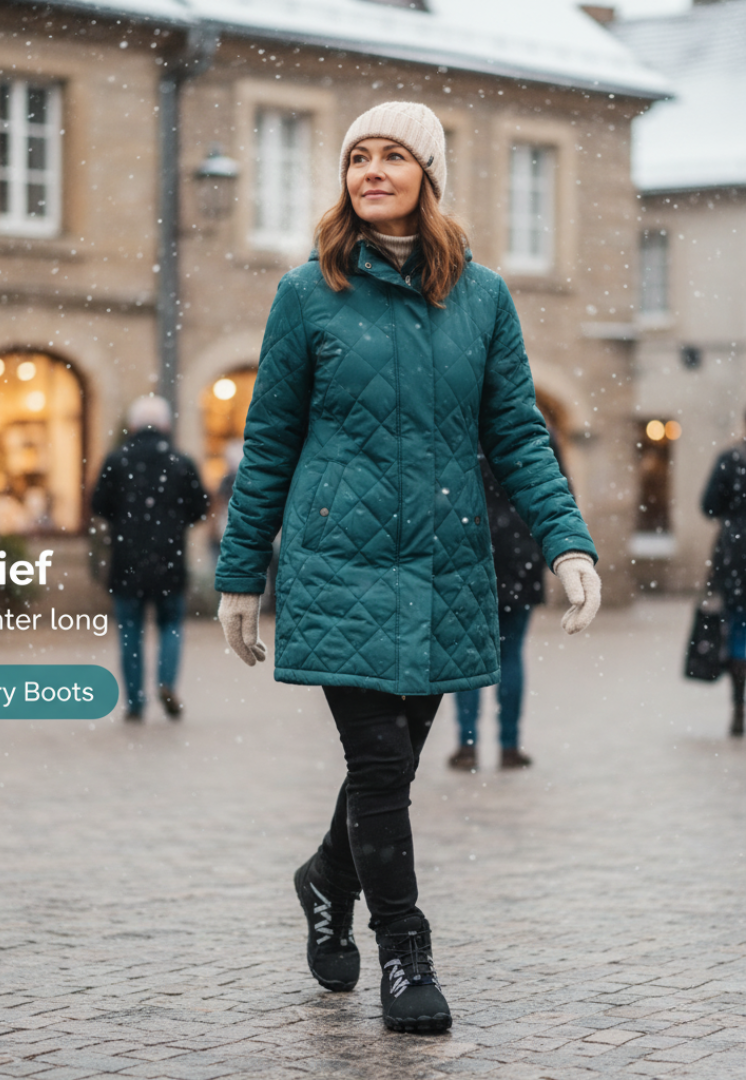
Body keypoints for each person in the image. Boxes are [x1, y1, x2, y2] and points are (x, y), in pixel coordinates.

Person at [214, 101, 601, 1034]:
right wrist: (241, 570)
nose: (372, 171)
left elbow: (516, 434)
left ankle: (323, 878)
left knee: (391, 767)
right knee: (380, 767)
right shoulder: (309, 293)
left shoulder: (483, 298)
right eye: (358, 157)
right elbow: (267, 441)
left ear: (429, 175)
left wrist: (568, 540)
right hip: (338, 560)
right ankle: (406, 954)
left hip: (445, 566)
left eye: (394, 156)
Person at [448, 435, 564, 772]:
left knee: (467, 656)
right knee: (511, 654)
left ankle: (467, 744)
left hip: (470, 554)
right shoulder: (534, 434)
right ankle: (509, 746)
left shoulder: (464, 431)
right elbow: (556, 496)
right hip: (520, 555)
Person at [92, 395, 209, 722]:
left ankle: (134, 701)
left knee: (130, 630)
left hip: (127, 561)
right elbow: (200, 507)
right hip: (169, 559)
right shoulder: (181, 461)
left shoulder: (117, 460)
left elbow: (99, 504)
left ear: (132, 426)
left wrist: (124, 521)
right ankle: (166, 683)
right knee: (171, 625)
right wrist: (174, 523)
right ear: (166, 425)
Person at [701, 418, 746, 736]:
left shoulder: (732, 458)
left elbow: (709, 505)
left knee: (739, 628)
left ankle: (739, 705)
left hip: (737, 554)